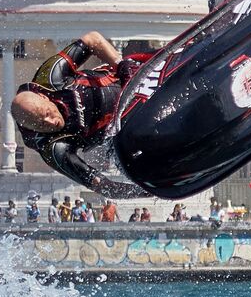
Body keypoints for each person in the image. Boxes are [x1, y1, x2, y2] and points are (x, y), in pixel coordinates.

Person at [10, 31, 152, 196]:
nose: (51, 122)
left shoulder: (49, 78)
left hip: (130, 81)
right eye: (41, 125)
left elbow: (93, 39)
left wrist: (121, 65)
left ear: (43, 97)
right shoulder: (53, 148)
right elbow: (101, 185)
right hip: (132, 126)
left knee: (130, 63)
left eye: (47, 113)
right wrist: (146, 192)